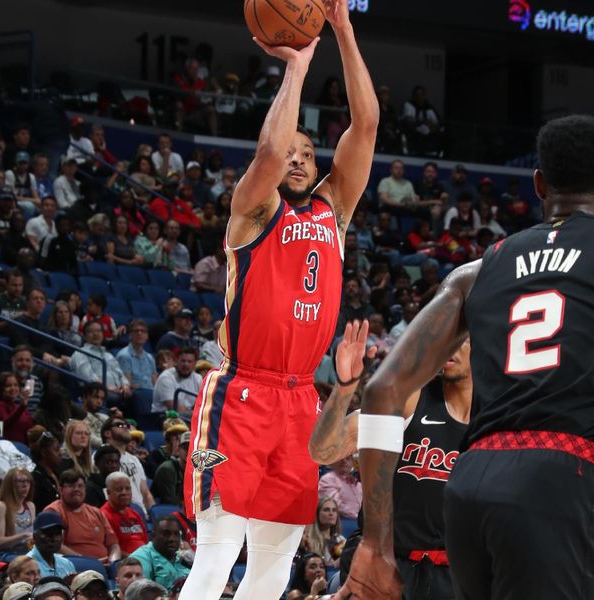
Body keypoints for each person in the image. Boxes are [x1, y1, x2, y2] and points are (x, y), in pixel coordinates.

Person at [340, 114, 594, 600]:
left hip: (469, 483)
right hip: (561, 477)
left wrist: (378, 546)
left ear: (538, 184)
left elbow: (383, 390)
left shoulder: (475, 270)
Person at [180, 4, 378, 600]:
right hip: (240, 392)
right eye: (289, 150)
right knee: (217, 553)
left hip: (302, 400)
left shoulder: (332, 211)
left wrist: (342, 31)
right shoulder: (254, 209)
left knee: (275, 565)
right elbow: (267, 155)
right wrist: (296, 67)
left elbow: (365, 127)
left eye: (307, 153)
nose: (296, 158)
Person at [311, 322, 472, 599]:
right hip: (384, 564)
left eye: (461, 340)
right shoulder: (411, 397)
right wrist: (345, 387)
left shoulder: (496, 418)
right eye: (444, 339)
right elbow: (325, 452)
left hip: (452, 575)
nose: (449, 347)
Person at [44, 469, 122, 564]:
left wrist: (113, 562)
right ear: (60, 490)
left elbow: (113, 545)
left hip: (105, 566)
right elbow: (56, 546)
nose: (76, 489)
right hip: (74, 567)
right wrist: (89, 562)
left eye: (80, 486)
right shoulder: (53, 512)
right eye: (71, 486)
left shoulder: (96, 512)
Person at [100, 418, 155, 510]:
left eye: (127, 426)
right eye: (120, 425)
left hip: (140, 515)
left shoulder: (134, 459)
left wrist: (154, 515)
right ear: (107, 433)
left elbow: (146, 493)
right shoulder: (101, 457)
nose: (126, 427)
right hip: (120, 513)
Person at [130, 517, 190, 591]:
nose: (172, 539)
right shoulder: (141, 557)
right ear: (153, 536)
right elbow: (140, 594)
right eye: (166, 534)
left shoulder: (184, 558)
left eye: (176, 534)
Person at [100, 471, 149, 555]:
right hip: (127, 563)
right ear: (108, 492)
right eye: (119, 489)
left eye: (128, 488)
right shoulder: (103, 515)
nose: (124, 492)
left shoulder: (135, 513)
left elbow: (145, 541)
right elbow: (111, 549)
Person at [0, 467, 36, 553]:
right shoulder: (1, 506)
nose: (25, 485)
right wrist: (23, 536)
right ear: (10, 484)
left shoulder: (30, 506)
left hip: (29, 554)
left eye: (28, 481)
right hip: (7, 555)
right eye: (20, 481)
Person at [26, 512, 76, 579]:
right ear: (35, 537)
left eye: (57, 533)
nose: (54, 538)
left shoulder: (67, 564)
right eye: (48, 533)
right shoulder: (26, 566)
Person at [152, 347, 202, 414]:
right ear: (176, 361)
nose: (186, 364)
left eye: (189, 362)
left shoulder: (198, 378)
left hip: (188, 416)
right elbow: (174, 408)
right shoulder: (166, 377)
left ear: (195, 364)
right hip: (164, 418)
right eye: (183, 361)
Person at [86, 444, 120, 509]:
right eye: (109, 462)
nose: (114, 466)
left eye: (116, 462)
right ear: (97, 464)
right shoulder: (90, 488)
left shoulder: (120, 485)